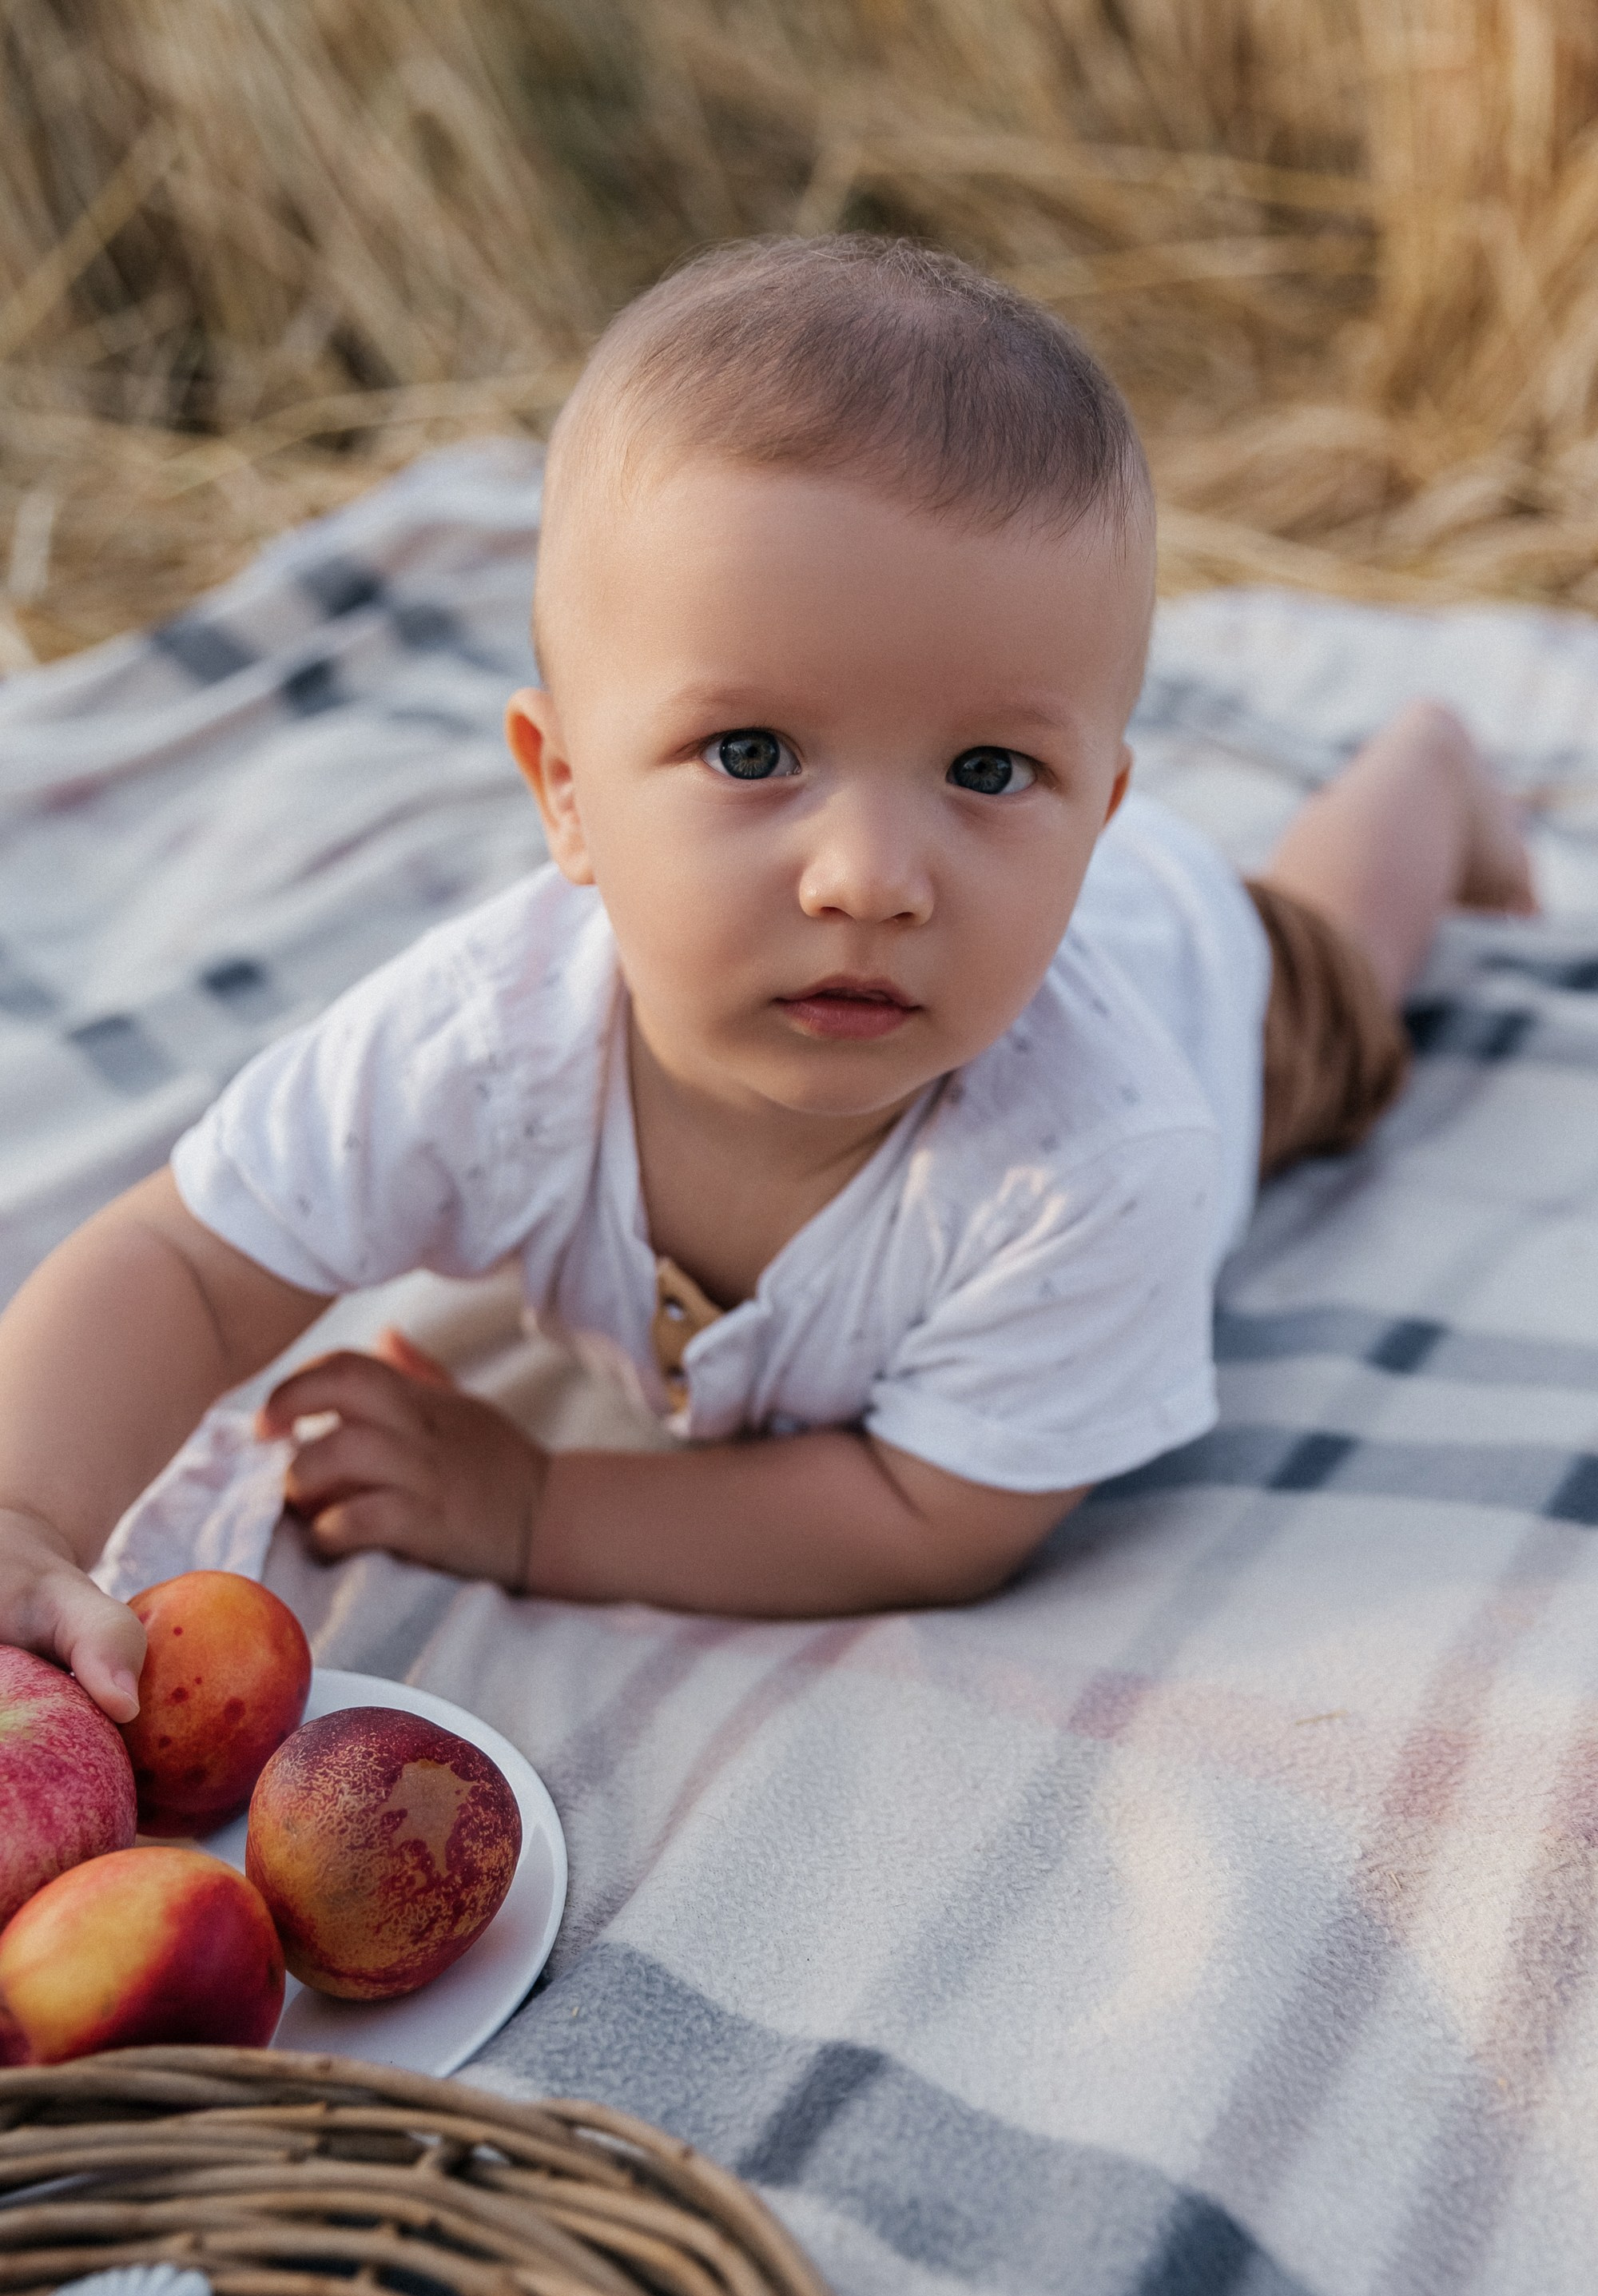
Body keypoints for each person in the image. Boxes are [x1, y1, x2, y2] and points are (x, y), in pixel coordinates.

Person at [0, 237, 1536, 1721]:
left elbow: (933, 1512)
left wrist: (538, 1502)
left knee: (1335, 949)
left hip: (1206, 984)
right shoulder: (482, 1041)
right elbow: (186, 1268)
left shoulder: (1103, 1149)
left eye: (991, 767)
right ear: (568, 795)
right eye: (752, 754)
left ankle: (1427, 766)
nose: (870, 878)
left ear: (1097, 818)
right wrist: (25, 1514)